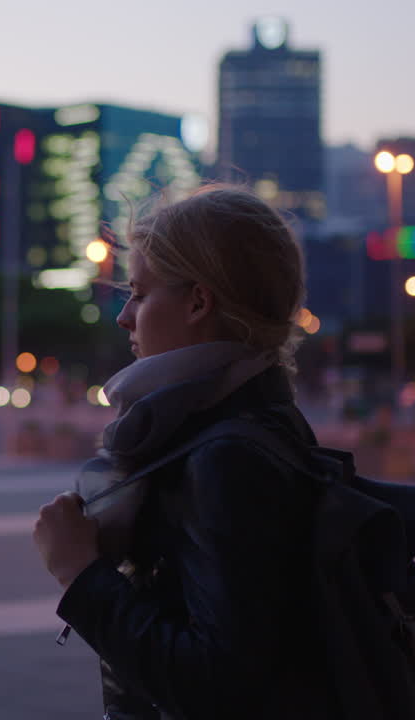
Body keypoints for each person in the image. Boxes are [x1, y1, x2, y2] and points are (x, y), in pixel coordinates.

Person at [32, 184, 341, 719]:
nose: (124, 316)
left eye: (141, 293)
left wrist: (81, 575)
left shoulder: (228, 458)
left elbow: (215, 685)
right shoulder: (250, 425)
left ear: (198, 301)